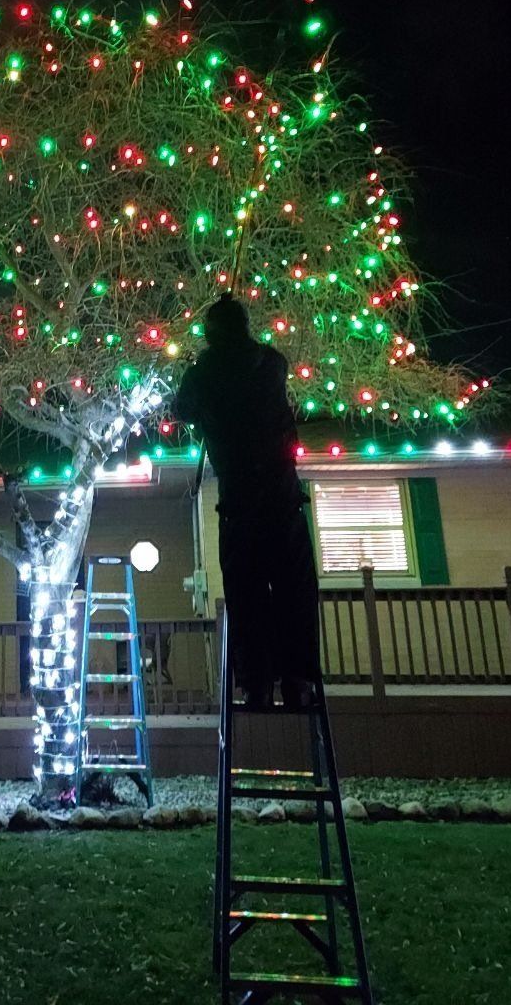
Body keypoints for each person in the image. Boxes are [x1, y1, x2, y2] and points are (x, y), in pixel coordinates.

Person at [173, 293, 319, 709]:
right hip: (281, 497)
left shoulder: (205, 374)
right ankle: (298, 680)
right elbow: (270, 367)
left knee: (246, 592)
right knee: (294, 590)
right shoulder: (270, 363)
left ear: (210, 333)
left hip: (239, 502)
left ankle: (256, 684)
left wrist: (196, 372)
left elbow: (182, 409)